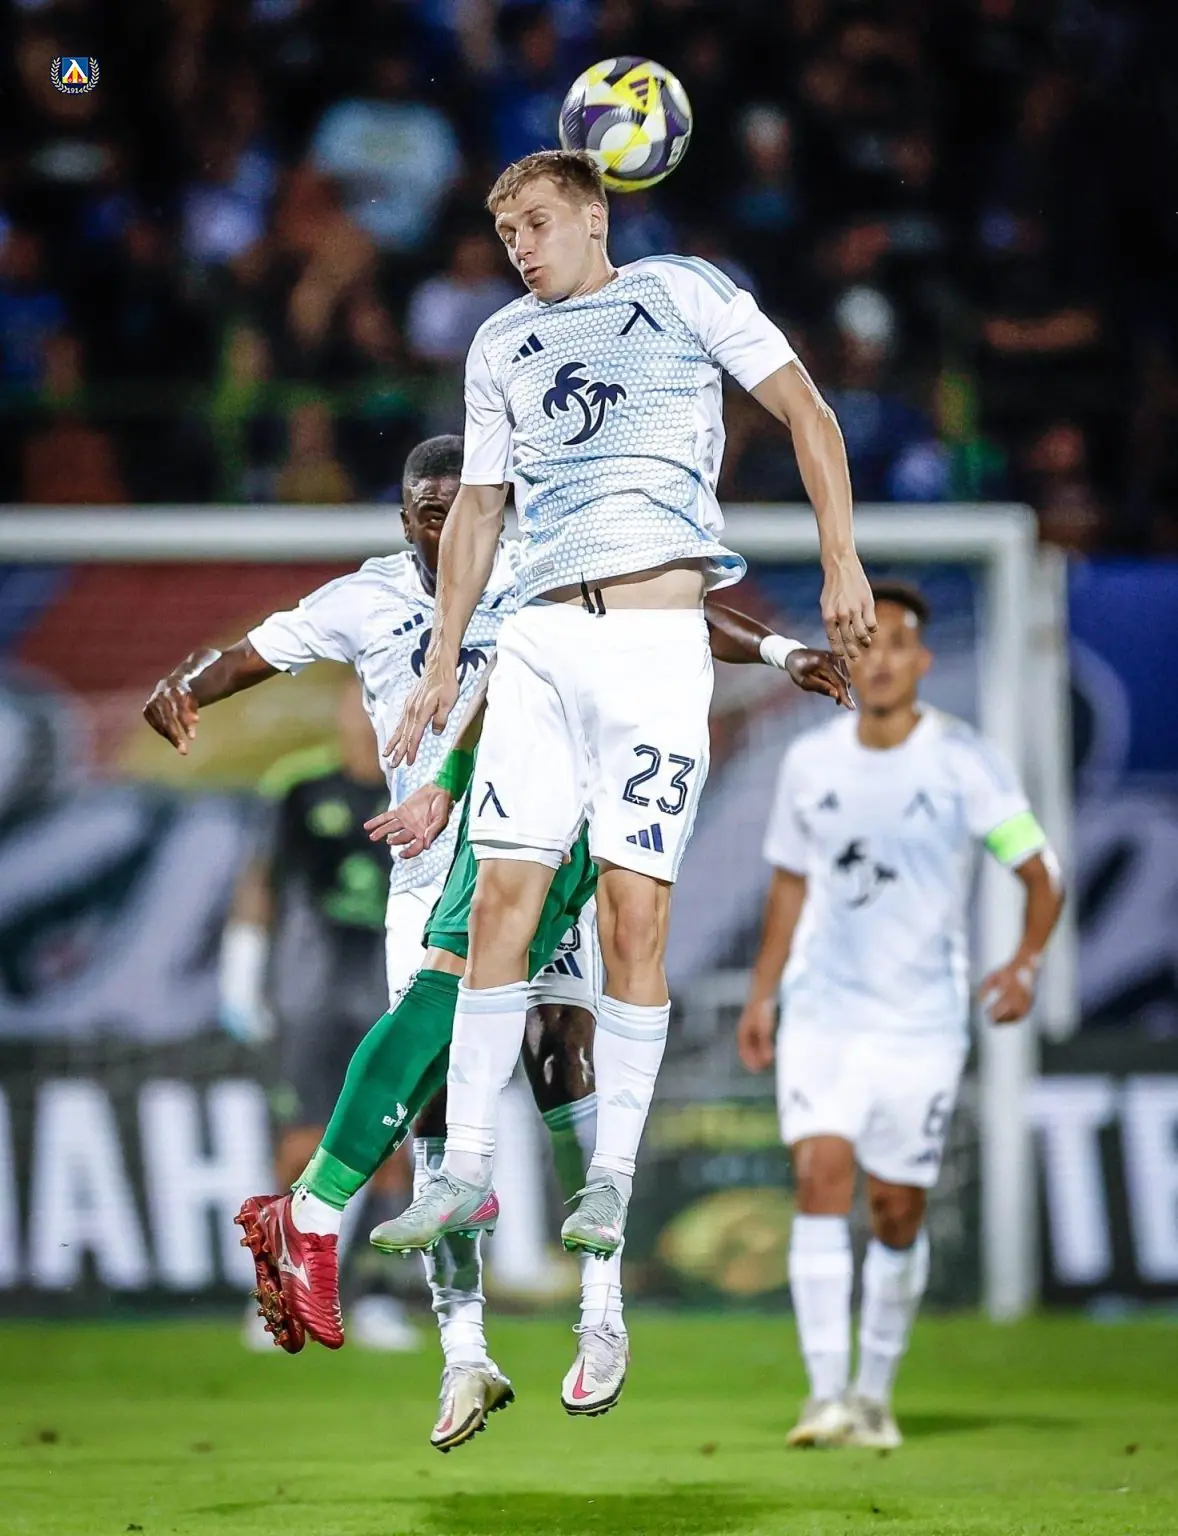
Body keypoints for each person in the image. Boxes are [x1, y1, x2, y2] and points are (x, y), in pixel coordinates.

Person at [379, 148, 875, 1274]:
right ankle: (465, 1169)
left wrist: (839, 560)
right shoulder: (499, 343)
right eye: (506, 233)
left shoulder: (681, 291)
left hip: (655, 644)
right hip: (540, 642)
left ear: (595, 217)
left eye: (537, 223)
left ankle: (609, 1178)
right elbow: (479, 510)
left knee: (629, 920)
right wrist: (445, 656)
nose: (520, 247)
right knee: (496, 904)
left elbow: (807, 413)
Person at [235, 604, 853, 1450]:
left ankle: (600, 1315)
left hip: (583, 803)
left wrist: (780, 651)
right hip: (454, 839)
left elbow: (677, 605)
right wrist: (447, 776)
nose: (440, 531)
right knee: (439, 1096)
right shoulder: (412, 592)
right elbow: (487, 670)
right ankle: (458, 1345)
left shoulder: (596, 581)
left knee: (565, 1062)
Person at [736, 583, 1065, 1450]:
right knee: (819, 1178)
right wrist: (763, 993)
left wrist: (1026, 962)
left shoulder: (963, 761)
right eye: (865, 642)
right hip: (822, 1011)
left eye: (896, 644)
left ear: (922, 660)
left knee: (894, 1210)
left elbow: (1040, 873)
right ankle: (824, 1396)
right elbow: (788, 885)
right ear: (846, 655)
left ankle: (874, 1395)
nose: (878, 660)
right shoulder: (809, 762)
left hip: (920, 1021)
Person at [223, 680, 420, 1353]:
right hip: (310, 993)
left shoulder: (425, 792)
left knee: (391, 1148)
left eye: (379, 705)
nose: (366, 718)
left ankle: (376, 1297)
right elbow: (261, 879)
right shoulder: (300, 787)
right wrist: (242, 970)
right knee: (299, 1147)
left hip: (390, 996)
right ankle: (278, 1299)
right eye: (357, 703)